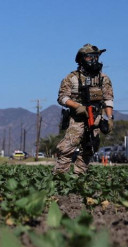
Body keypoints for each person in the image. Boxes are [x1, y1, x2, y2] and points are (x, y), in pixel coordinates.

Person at [54, 44, 114, 175]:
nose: (93, 60)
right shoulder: (72, 78)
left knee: (91, 147)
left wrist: (109, 118)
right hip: (77, 119)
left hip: (96, 118)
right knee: (67, 148)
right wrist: (78, 107)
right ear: (81, 59)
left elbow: (108, 100)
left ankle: (79, 175)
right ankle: (59, 178)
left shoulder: (103, 79)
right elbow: (62, 98)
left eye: (96, 57)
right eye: (89, 57)